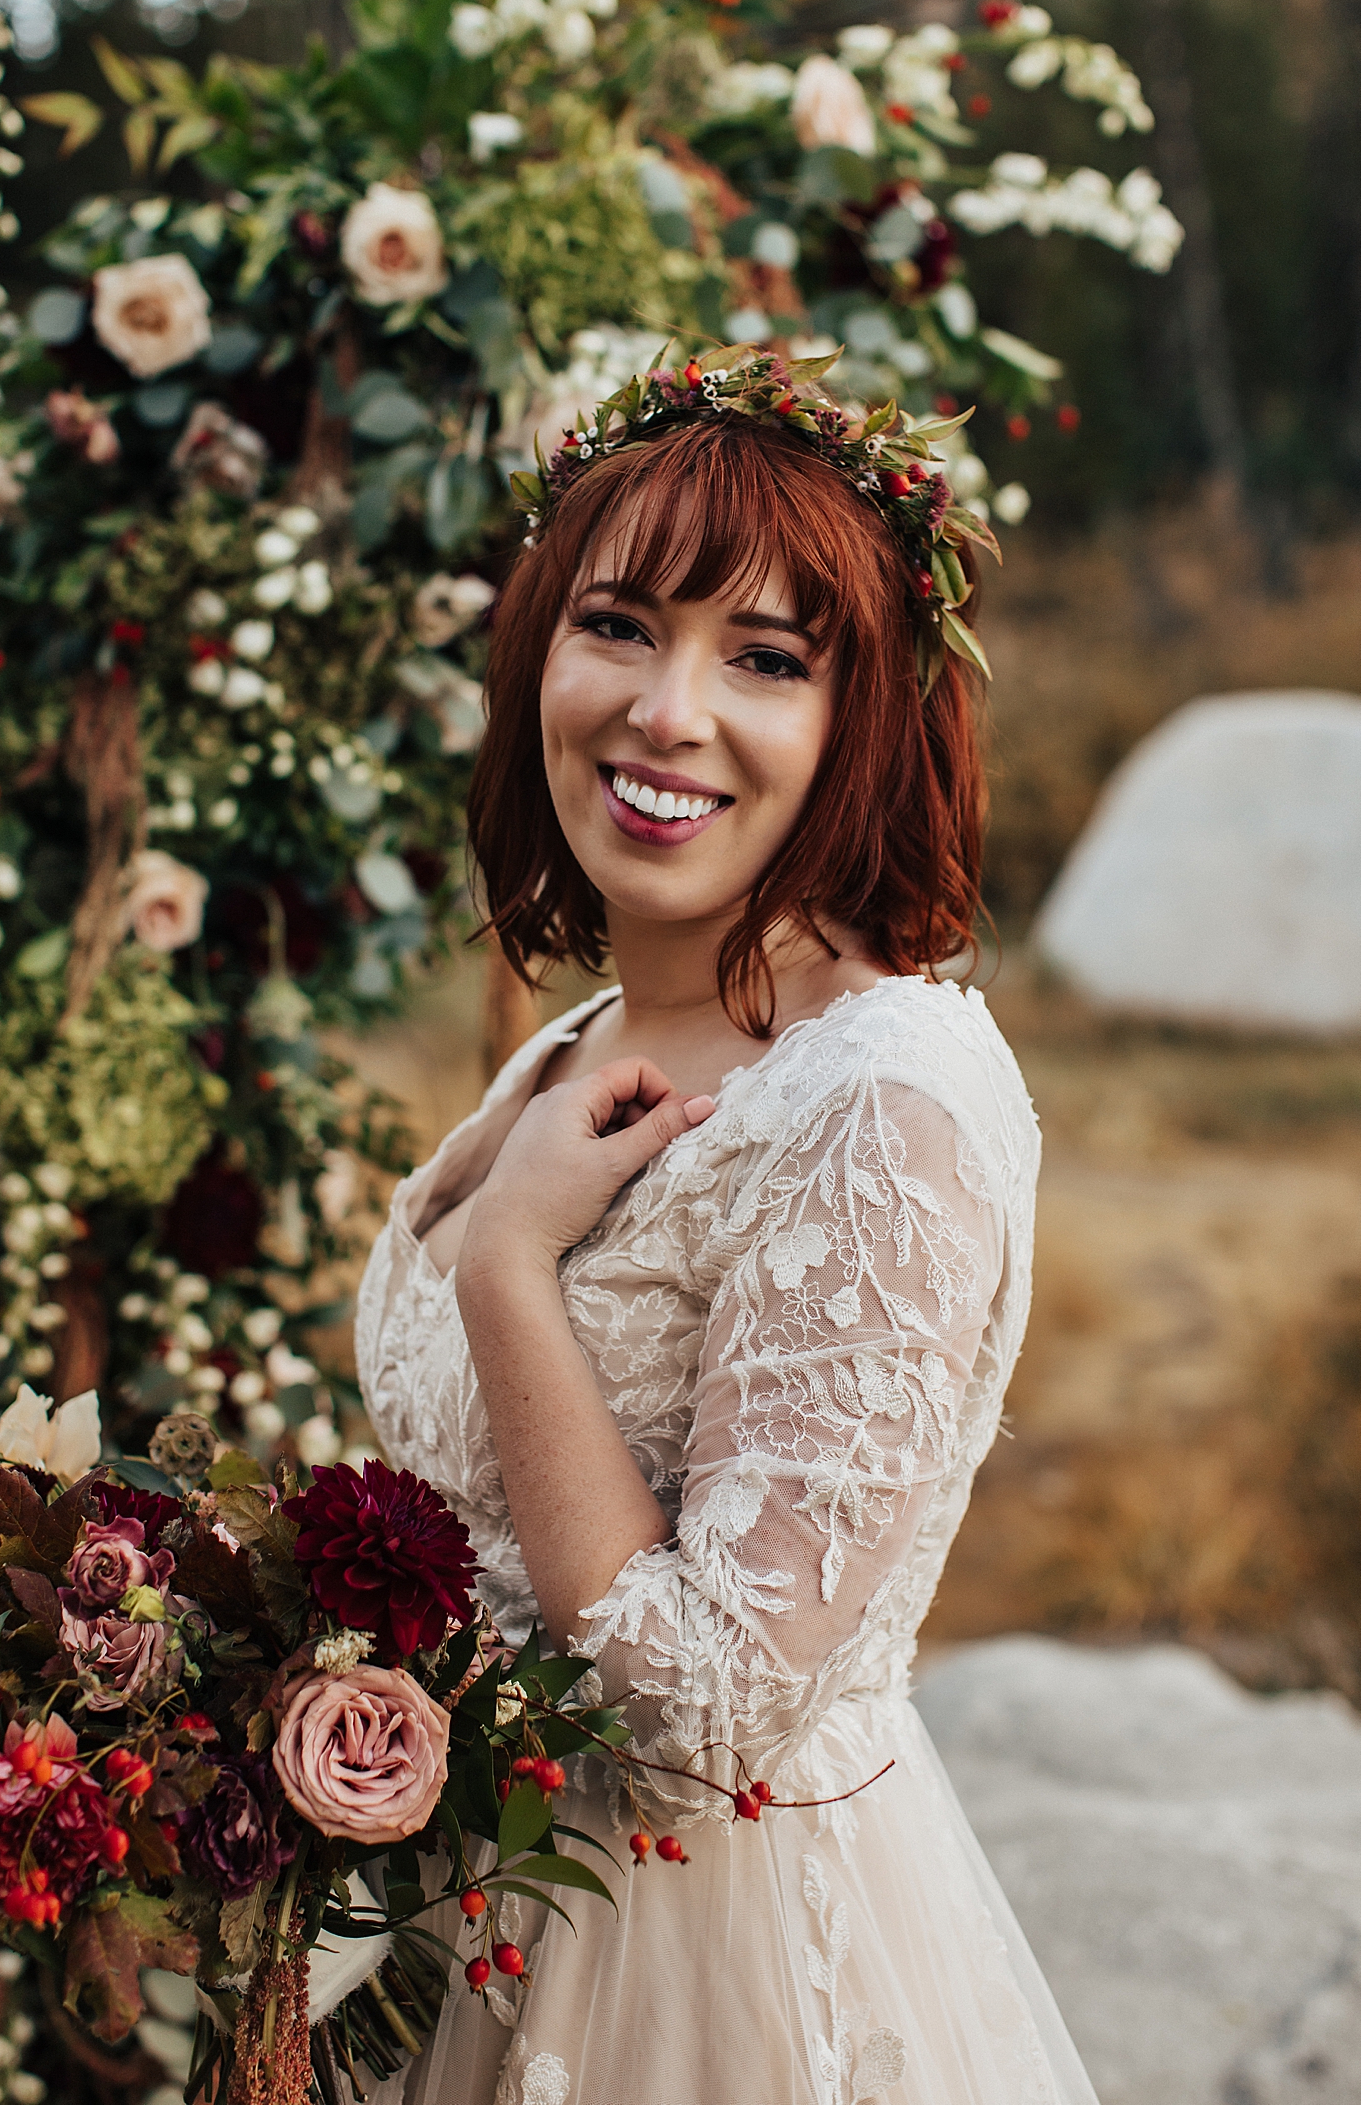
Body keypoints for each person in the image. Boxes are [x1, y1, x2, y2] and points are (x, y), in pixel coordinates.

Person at [354, 351, 1099, 2104]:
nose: (669, 711)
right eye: (618, 623)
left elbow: (703, 1723)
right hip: (473, 1928)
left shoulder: (885, 1095)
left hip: (712, 1980)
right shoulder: (577, 1040)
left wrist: (508, 1268)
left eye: (764, 659)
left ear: (866, 720)